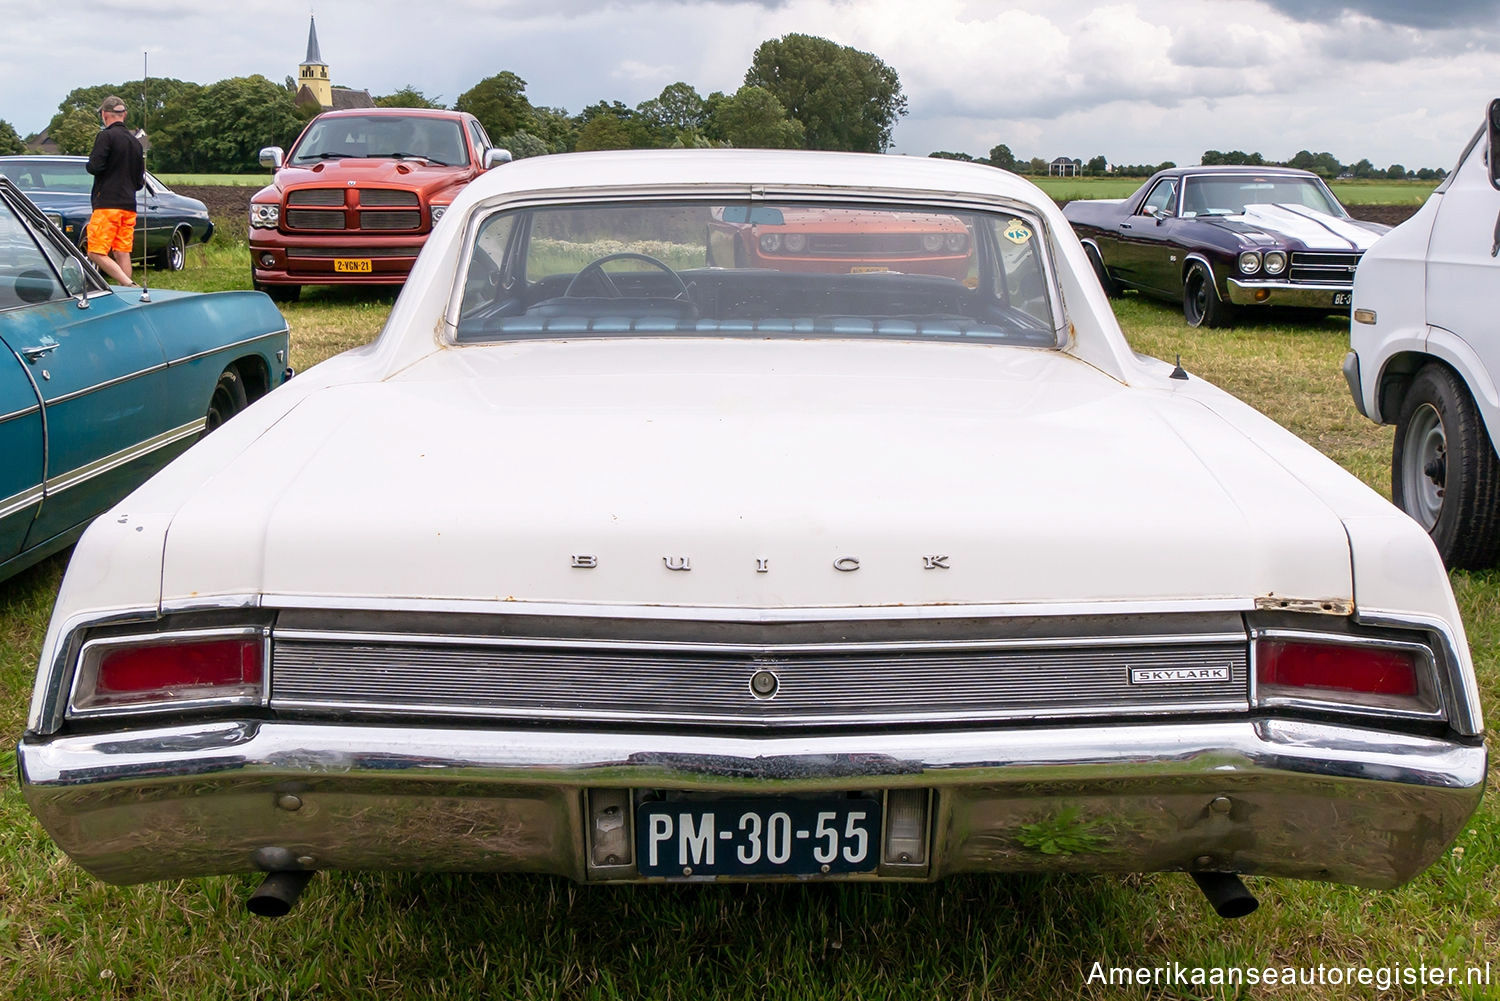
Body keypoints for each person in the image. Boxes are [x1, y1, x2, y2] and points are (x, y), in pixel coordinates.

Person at [84, 95, 145, 286]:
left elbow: (94, 167)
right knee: (122, 251)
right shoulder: (136, 142)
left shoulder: (105, 136)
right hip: (129, 205)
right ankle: (129, 295)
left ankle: (128, 285)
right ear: (124, 115)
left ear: (104, 114)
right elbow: (139, 181)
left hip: (107, 205)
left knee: (95, 251)